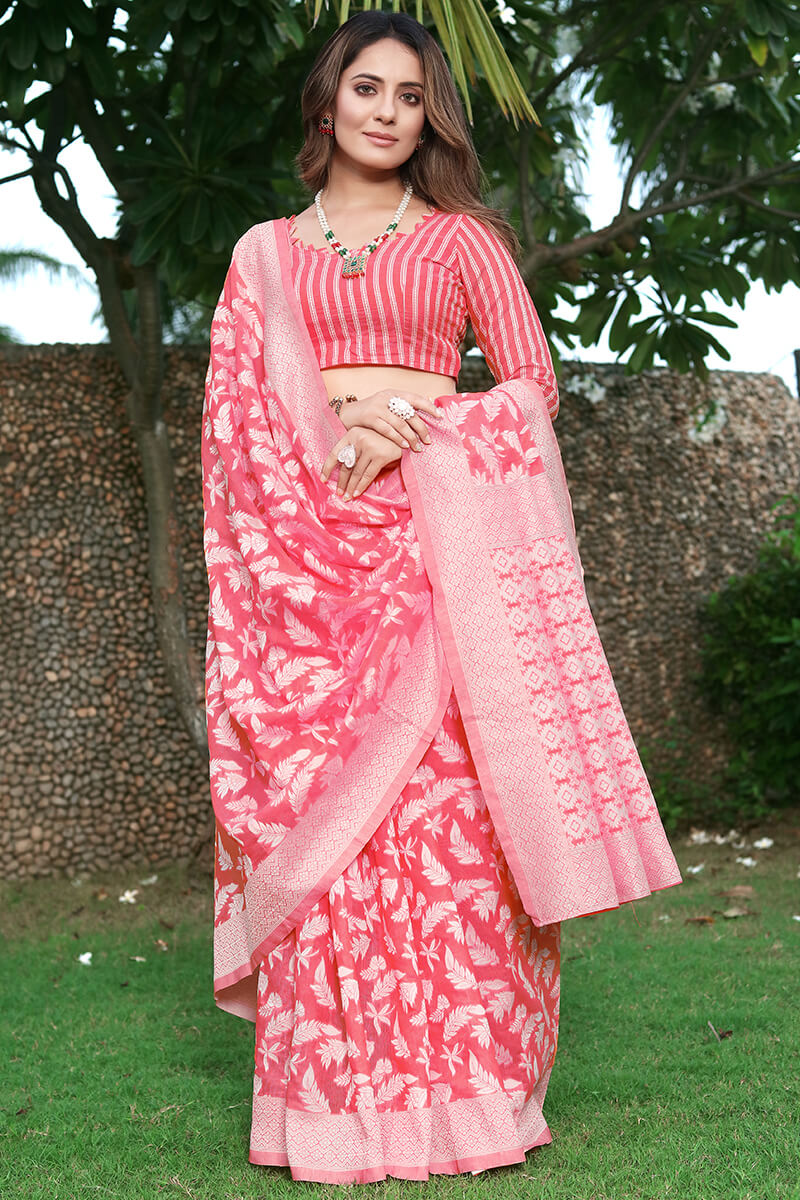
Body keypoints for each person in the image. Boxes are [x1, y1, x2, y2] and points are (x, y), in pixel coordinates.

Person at [201, 10, 682, 1186]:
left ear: (429, 119)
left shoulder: (461, 240)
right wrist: (332, 434)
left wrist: (409, 430)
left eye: (407, 97)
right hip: (309, 577)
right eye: (365, 87)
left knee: (452, 833)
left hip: (438, 558)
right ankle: (326, 1118)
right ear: (327, 103)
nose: (383, 110)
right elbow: (235, 420)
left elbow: (528, 387)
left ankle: (469, 1105)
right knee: (337, 851)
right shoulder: (263, 251)